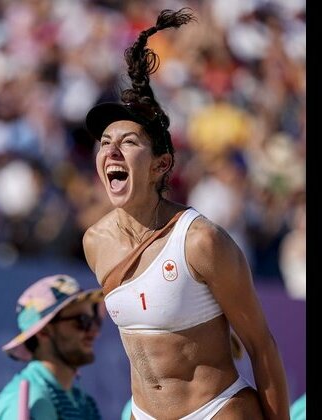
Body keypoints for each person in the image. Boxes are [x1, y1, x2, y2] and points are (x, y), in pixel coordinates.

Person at [82, 8, 289, 420]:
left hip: (217, 409)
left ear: (161, 164)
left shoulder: (200, 240)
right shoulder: (95, 242)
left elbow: (261, 345)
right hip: (143, 413)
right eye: (105, 142)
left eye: (128, 142)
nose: (111, 152)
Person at [0, 274, 103, 420]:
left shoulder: (82, 401)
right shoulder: (31, 400)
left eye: (95, 321)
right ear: (44, 331)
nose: (94, 332)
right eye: (83, 321)